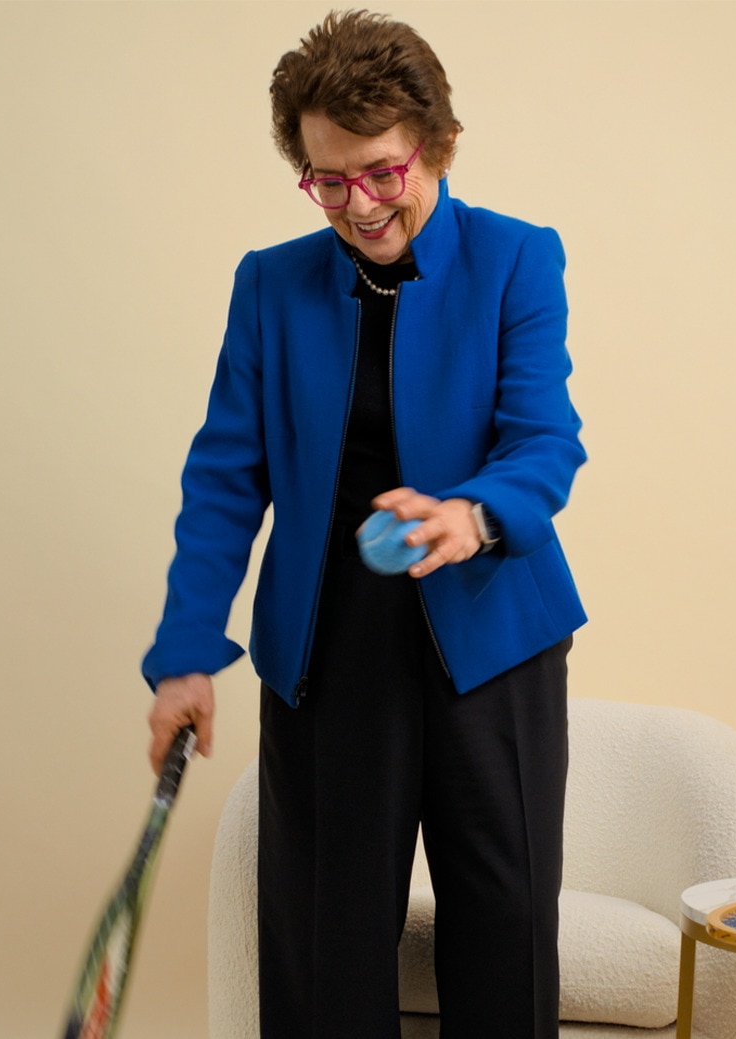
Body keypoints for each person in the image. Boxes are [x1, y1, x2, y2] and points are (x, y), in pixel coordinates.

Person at [140, 11, 585, 1037]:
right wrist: (182, 657)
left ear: (432, 145)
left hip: (493, 643)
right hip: (330, 655)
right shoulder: (270, 284)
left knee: (504, 936)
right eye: (326, 178)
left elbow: (542, 438)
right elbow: (223, 479)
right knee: (324, 949)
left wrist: (472, 514)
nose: (358, 204)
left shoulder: (517, 260)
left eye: (380, 172)